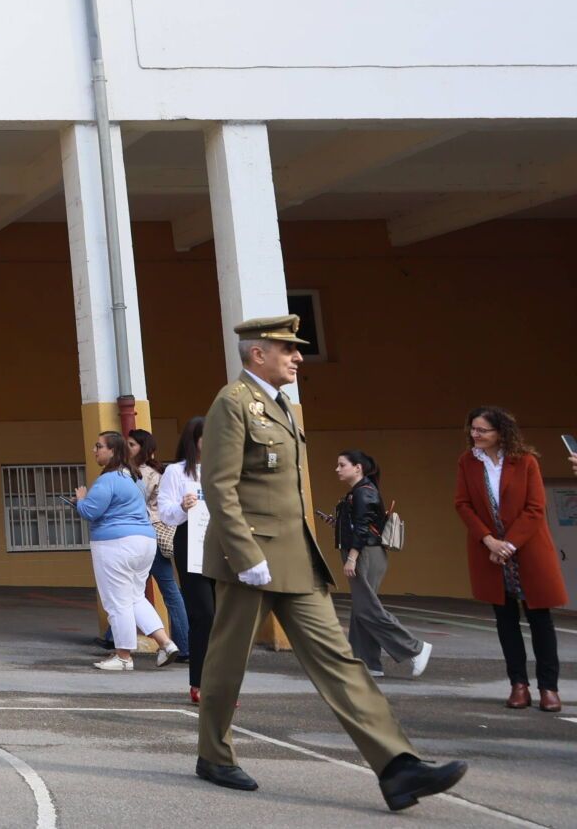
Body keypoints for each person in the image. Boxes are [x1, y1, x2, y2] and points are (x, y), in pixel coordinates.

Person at [195, 314, 466, 811]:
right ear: (258, 354)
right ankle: (213, 755)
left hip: (296, 559)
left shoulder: (282, 406)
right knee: (227, 664)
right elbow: (219, 486)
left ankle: (398, 767)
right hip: (250, 560)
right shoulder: (232, 403)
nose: (298, 356)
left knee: (340, 661)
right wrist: (244, 553)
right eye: (288, 349)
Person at [454, 407, 563, 713]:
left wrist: (509, 544)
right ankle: (519, 684)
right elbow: (462, 504)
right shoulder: (467, 462)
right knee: (506, 621)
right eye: (472, 429)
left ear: (500, 432)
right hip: (489, 551)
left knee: (540, 620)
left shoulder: (526, 461)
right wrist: (489, 540)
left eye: (482, 430)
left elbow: (535, 508)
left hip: (527, 549)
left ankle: (549, 687)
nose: (475, 435)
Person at [74, 432, 180, 672]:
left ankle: (123, 656)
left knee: (117, 601)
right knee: (135, 597)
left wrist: (80, 499)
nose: (95, 450)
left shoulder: (108, 479)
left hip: (116, 544)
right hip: (145, 541)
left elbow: (90, 511)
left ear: (112, 451)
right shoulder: (134, 478)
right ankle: (165, 643)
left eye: (99, 446)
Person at [329, 449, 431, 682]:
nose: (337, 469)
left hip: (365, 554)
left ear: (358, 468)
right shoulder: (360, 491)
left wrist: (352, 558)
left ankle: (415, 648)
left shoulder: (364, 492)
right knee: (361, 608)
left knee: (367, 608)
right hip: (364, 552)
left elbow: (363, 528)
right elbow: (359, 524)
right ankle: (367, 663)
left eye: (342, 465)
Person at [158, 418, 217, 704]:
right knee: (203, 613)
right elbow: (165, 512)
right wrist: (183, 506)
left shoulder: (225, 469)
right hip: (191, 542)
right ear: (194, 440)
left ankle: (222, 686)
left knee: (225, 617)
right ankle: (200, 683)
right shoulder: (177, 471)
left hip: (223, 542)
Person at [129, 427, 191, 665]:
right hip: (154, 533)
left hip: (149, 532)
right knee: (135, 588)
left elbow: (136, 502)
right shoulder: (157, 471)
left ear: (143, 448)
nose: (128, 448)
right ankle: (183, 644)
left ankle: (183, 645)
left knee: (161, 589)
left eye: (132, 445)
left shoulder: (143, 474)